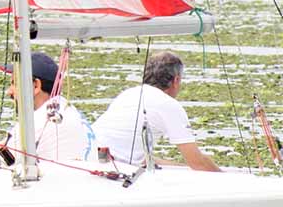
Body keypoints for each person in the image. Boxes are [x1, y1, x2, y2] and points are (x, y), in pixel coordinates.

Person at [89, 51, 221, 172]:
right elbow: (198, 163)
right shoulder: (169, 105)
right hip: (111, 169)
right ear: (176, 80)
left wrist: (183, 167)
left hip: (88, 158)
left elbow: (143, 159)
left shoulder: (128, 94)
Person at [0, 51, 94, 162]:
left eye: (15, 83)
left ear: (36, 86)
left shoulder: (35, 123)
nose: (9, 91)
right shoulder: (69, 109)